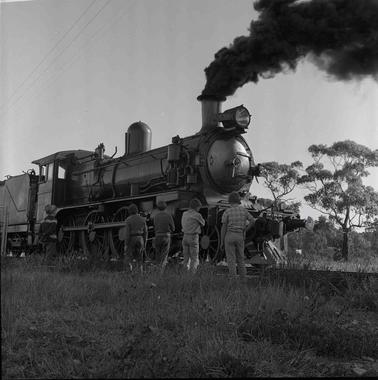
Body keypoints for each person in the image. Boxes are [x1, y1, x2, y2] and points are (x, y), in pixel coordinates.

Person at [221, 192, 255, 280]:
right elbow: (252, 221)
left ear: (230, 201)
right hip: (240, 236)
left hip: (229, 236)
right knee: (240, 258)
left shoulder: (227, 211)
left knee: (231, 259)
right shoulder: (244, 210)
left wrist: (222, 240)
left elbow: (224, 227)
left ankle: (233, 279)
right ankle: (243, 279)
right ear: (239, 200)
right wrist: (245, 229)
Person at [181, 198, 205, 274]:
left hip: (185, 236)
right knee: (194, 257)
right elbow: (203, 223)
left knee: (186, 257)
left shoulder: (184, 213)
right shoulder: (197, 215)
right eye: (199, 207)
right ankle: (192, 274)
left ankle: (185, 272)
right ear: (196, 207)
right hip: (193, 237)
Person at [152, 201, 175, 274]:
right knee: (164, 256)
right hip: (166, 236)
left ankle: (157, 271)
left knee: (158, 255)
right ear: (165, 207)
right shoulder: (168, 216)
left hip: (158, 236)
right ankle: (160, 273)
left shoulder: (155, 217)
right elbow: (173, 228)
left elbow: (154, 227)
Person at [124, 203, 148, 273]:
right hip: (140, 238)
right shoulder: (142, 219)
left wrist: (126, 244)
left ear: (130, 211)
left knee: (129, 257)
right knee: (140, 257)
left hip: (132, 238)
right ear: (137, 211)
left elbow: (127, 233)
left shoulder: (128, 220)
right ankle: (140, 272)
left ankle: (130, 272)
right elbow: (146, 232)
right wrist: (144, 242)